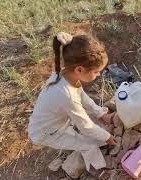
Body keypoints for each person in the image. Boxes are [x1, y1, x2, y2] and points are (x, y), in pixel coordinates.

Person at [28, 32, 117, 175]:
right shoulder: (67, 95)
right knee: (89, 146)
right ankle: (99, 170)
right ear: (79, 69)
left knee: (91, 122)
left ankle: (91, 133)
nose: (98, 75)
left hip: (56, 122)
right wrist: (107, 137)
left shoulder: (66, 74)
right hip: (47, 132)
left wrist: (100, 114)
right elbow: (86, 127)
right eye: (96, 72)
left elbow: (81, 96)